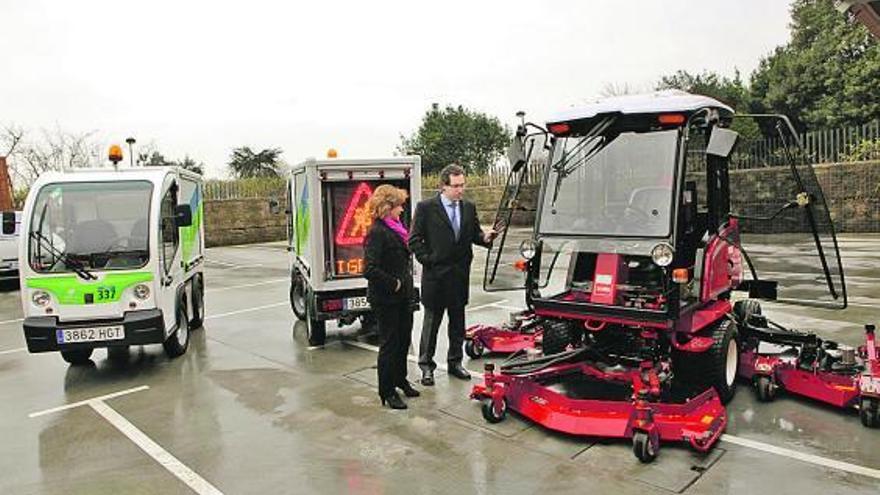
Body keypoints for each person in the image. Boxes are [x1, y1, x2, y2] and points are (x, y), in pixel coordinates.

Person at [409, 164, 497, 386]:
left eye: (462, 185)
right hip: (436, 277)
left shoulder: (468, 207)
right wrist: (428, 260)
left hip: (459, 275)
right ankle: (426, 367)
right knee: (432, 324)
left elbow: (473, 234)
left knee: (457, 323)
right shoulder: (426, 208)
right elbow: (414, 239)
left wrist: (485, 238)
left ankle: (455, 362)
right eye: (456, 186)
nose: (460, 190)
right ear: (443, 186)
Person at [363, 184, 419, 409]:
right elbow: (369, 269)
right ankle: (386, 391)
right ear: (387, 207)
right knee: (390, 343)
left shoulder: (397, 228)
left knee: (404, 339)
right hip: (386, 299)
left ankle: (399, 379)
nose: (402, 210)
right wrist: (393, 283)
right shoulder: (377, 232)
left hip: (403, 297)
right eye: (399, 206)